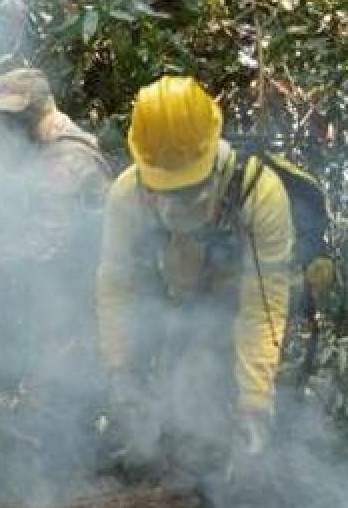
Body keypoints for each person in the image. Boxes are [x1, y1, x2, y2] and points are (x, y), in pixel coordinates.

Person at [96, 75, 295, 464]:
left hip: (235, 308)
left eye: (187, 188)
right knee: (176, 401)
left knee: (217, 389)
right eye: (163, 189)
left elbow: (262, 309)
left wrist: (254, 405)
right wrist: (120, 373)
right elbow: (116, 287)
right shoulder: (126, 196)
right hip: (173, 301)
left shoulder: (260, 193)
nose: (175, 203)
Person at [0, 68, 110, 497]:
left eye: (16, 116)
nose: (8, 126)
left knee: (60, 397)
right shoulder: (32, 147)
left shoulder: (70, 158)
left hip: (74, 297)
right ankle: (18, 481)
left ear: (40, 108)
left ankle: (64, 496)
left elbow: (43, 243)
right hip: (37, 296)